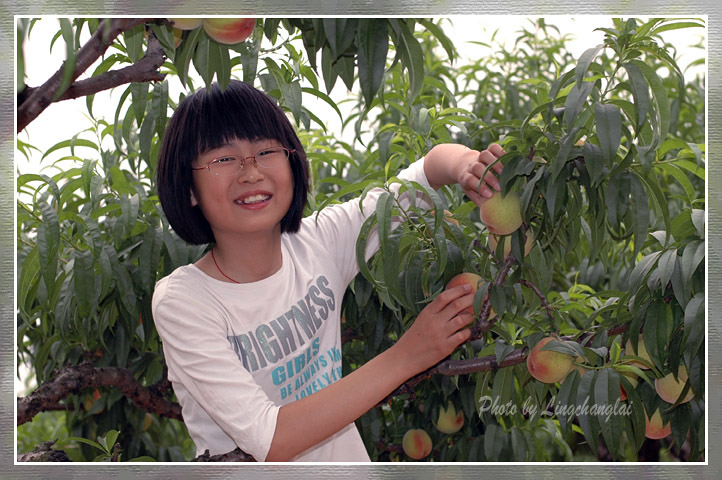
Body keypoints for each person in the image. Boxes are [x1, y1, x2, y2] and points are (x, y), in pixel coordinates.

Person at [152, 80, 504, 462]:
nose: (250, 172)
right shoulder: (186, 301)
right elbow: (271, 440)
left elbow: (424, 174)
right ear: (189, 188)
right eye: (223, 159)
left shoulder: (319, 242)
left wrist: (467, 165)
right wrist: (410, 354)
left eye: (266, 151)